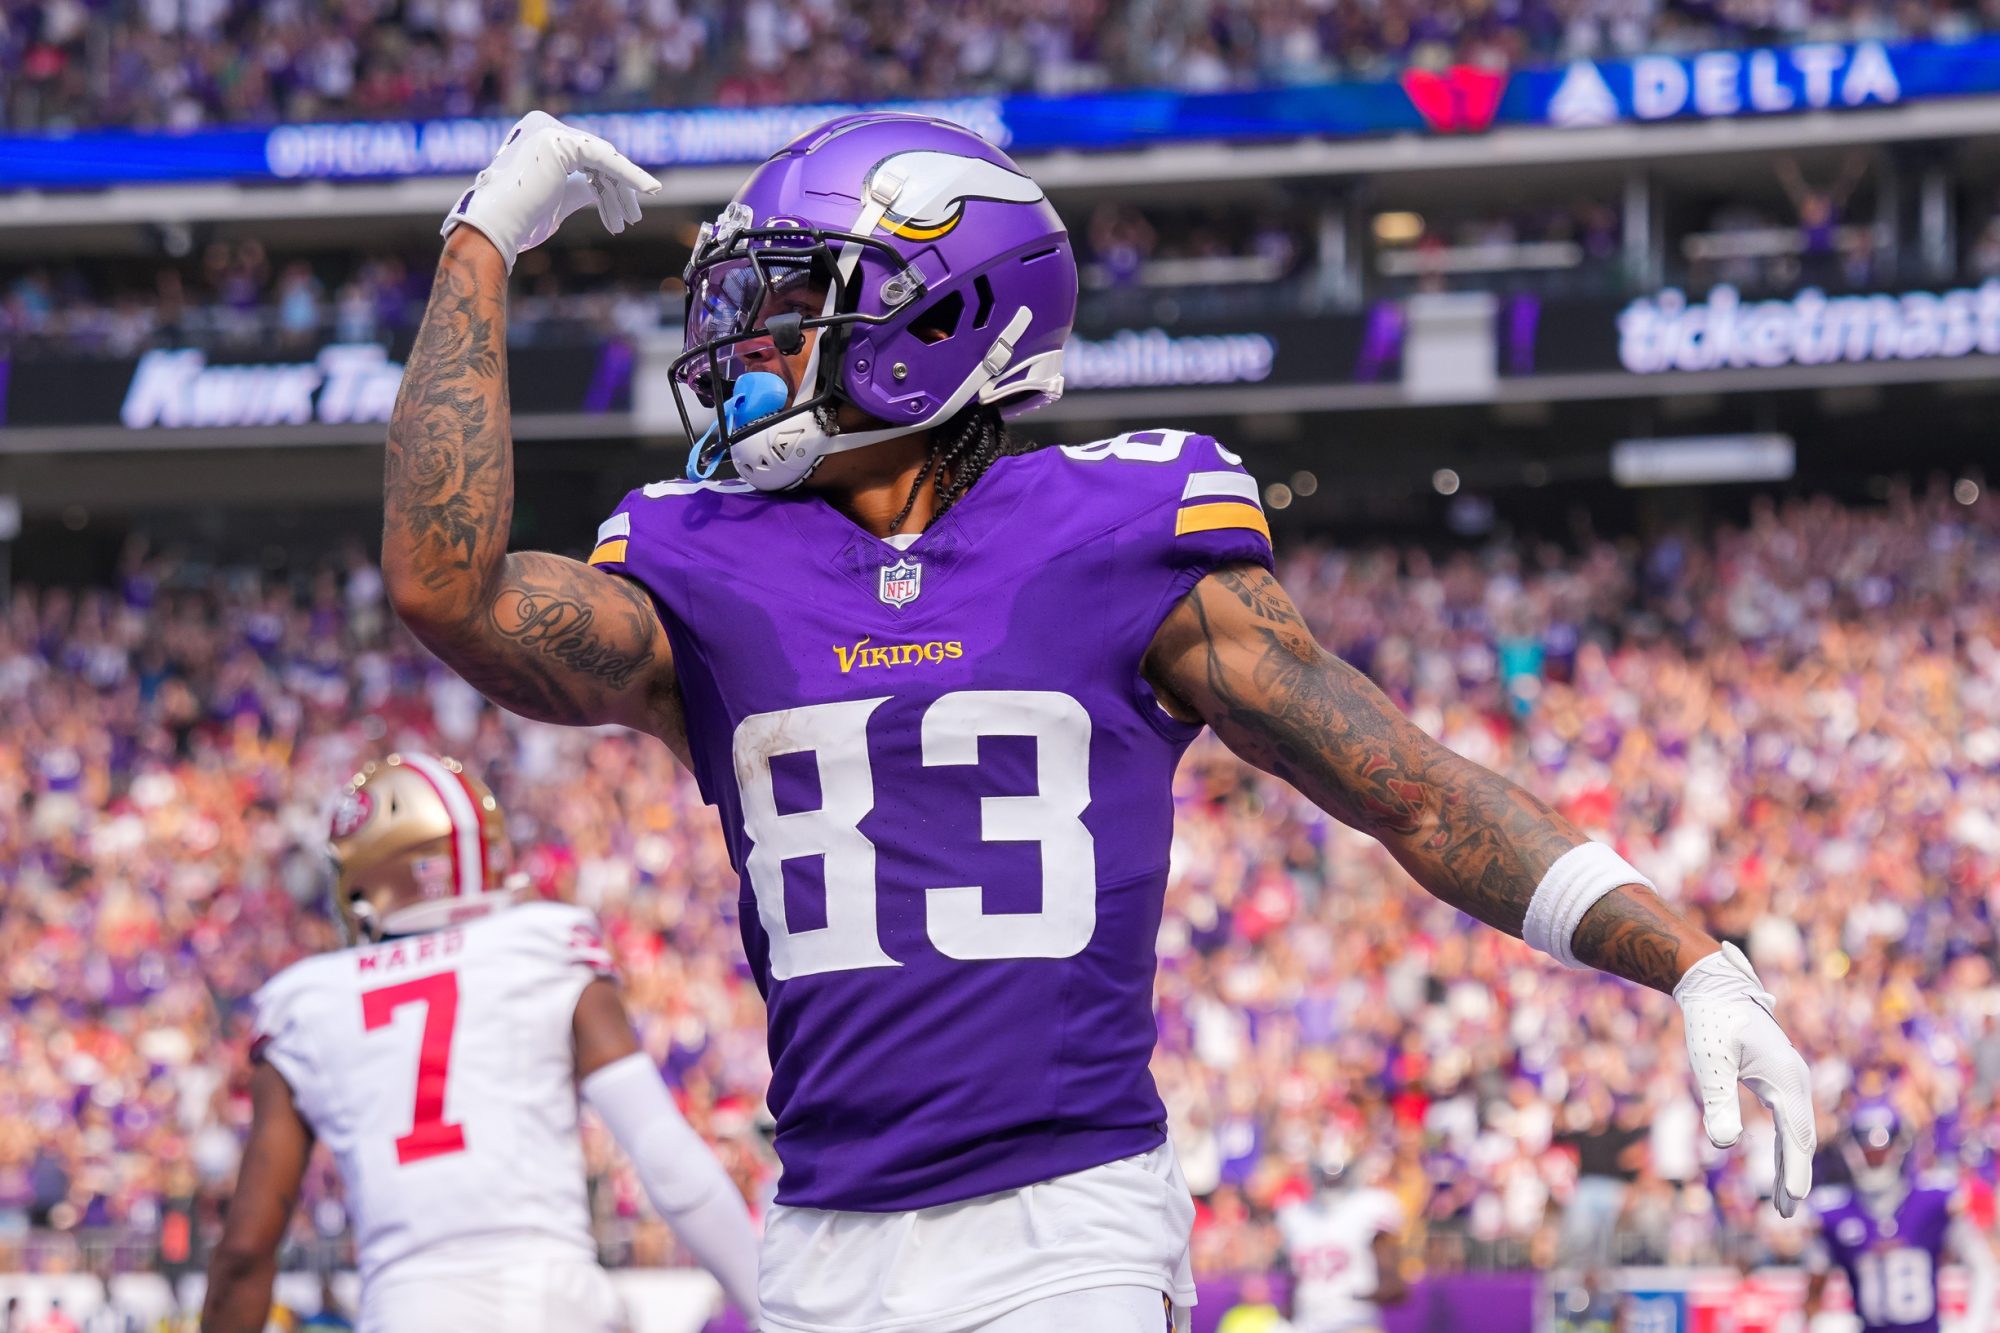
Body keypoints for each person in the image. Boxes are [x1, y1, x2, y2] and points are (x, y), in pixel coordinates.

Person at [380, 109, 1818, 1333]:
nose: (751, 344)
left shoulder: (1119, 529)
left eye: (794, 300)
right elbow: (444, 587)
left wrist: (1693, 960)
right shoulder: (703, 560)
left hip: (1063, 1227)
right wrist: (480, 240)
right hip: (821, 1231)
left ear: (935, 316)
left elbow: (1414, 792)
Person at [199, 754, 762, 1333]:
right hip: (555, 1305)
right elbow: (667, 1159)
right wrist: (772, 1314)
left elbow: (245, 1251)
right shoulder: (543, 943)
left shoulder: (309, 1001)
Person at [1803, 1102, 1998, 1333]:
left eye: (1881, 1150)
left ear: (1900, 1146)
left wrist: (1972, 1325)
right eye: (1868, 1150)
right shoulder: (1832, 1212)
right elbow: (1814, 1289)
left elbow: (1983, 1267)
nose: (1875, 1157)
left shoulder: (1934, 1199)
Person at [1275, 1158, 1407, 1333]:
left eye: (1336, 1176)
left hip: (1354, 1322)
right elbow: (1293, 1283)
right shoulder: (1295, 1214)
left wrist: (1354, 1296)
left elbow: (1395, 1286)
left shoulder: (1370, 1206)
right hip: (1307, 1324)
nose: (1330, 1181)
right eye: (1325, 1175)